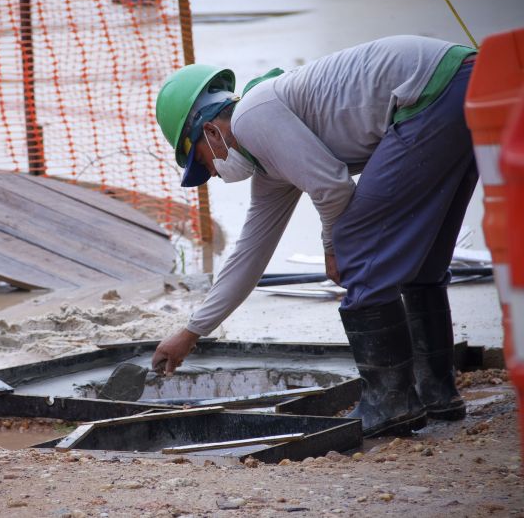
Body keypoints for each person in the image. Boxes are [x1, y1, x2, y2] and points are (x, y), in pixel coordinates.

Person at [152, 35, 478, 437]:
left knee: (358, 244)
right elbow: (249, 255)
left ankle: (392, 401)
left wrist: (332, 246)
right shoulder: (270, 162)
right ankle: (436, 394)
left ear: (208, 132)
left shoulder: (254, 117)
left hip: (432, 94)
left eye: (203, 164)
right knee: (420, 258)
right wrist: (191, 331)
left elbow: (333, 189)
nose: (215, 174)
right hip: (464, 83)